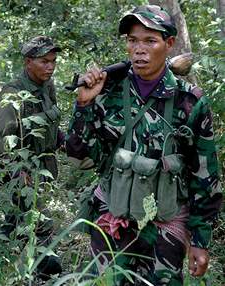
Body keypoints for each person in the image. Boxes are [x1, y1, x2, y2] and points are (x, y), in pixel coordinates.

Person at [66, 5, 222, 285]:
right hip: (112, 225)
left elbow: (205, 177)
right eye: (132, 40)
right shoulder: (109, 92)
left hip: (164, 232)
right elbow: (81, 158)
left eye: (150, 41)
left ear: (169, 44)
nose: (139, 49)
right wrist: (84, 104)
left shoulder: (190, 102)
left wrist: (200, 240)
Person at [0, 36, 64, 278]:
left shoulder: (47, 87)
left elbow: (48, 121)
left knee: (15, 223)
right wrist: (16, 173)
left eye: (53, 61)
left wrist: (61, 138)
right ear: (28, 62)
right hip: (20, 171)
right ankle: (47, 273)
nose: (50, 67)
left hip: (43, 169)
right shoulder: (13, 93)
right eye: (44, 61)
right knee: (39, 226)